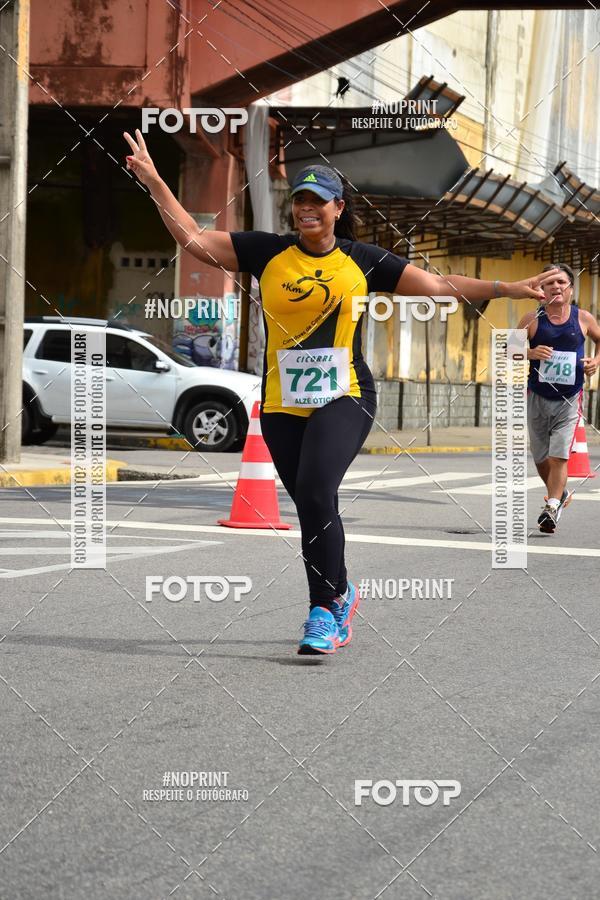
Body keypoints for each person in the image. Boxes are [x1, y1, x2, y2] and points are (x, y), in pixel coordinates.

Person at [124, 128, 560, 654]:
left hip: (345, 394)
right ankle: (343, 593)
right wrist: (153, 182)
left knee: (313, 489)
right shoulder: (267, 253)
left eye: (317, 202)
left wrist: (506, 288)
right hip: (283, 401)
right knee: (313, 504)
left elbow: (437, 286)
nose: (306, 209)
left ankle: (321, 611)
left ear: (337, 208)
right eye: (300, 201)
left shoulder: (363, 259)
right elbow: (193, 238)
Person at [518, 263, 600, 533]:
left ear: (570, 289)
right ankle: (560, 494)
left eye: (561, 282)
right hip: (537, 396)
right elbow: (506, 349)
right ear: (541, 290)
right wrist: (529, 354)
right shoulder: (531, 320)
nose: (555, 286)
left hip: (569, 397)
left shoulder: (583, 318)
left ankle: (552, 506)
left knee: (559, 456)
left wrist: (595, 362)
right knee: (541, 457)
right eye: (549, 283)